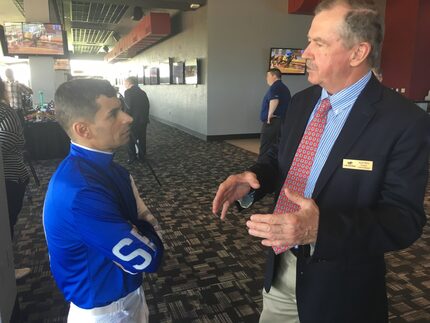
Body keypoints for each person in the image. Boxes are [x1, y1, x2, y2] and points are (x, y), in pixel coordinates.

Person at [212, 1, 429, 322]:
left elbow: (403, 220)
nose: (305, 53)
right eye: (309, 40)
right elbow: (280, 161)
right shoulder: (302, 102)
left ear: (358, 53)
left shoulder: (403, 121)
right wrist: (253, 177)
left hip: (341, 287)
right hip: (281, 268)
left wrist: (320, 230)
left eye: (319, 43)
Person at [43, 79, 164, 322]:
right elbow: (149, 257)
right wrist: (142, 230)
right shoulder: (80, 191)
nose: (127, 118)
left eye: (122, 109)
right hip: (103, 313)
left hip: (128, 297)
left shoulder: (114, 170)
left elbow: (143, 240)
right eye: (113, 114)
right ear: (83, 129)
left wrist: (136, 230)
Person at [0, 76, 31, 280]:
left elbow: (9, 138)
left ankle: (6, 269)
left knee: (5, 224)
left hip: (10, 178)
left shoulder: (5, 111)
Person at [258, 68, 291, 158]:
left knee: (266, 146)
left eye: (268, 76)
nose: (266, 78)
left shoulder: (275, 87)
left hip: (273, 121)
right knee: (274, 146)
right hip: (280, 121)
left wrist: (269, 115)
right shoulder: (283, 87)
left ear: (274, 76)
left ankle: (261, 168)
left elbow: (274, 100)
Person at [123, 76, 150, 163]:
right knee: (142, 139)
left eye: (125, 83)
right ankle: (142, 157)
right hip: (143, 120)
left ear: (128, 83)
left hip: (133, 120)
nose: (124, 85)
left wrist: (125, 118)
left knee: (130, 139)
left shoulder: (128, 92)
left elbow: (128, 107)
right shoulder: (142, 92)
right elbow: (147, 105)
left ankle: (132, 157)